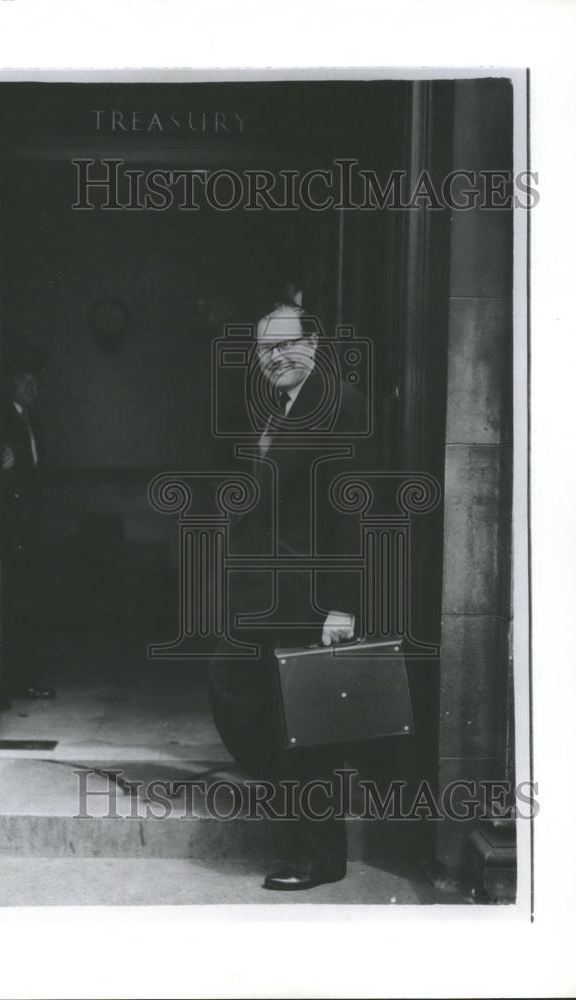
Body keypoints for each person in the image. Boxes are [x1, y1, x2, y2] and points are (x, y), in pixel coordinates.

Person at [208, 301, 372, 890]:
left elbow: (354, 508)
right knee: (234, 690)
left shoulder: (340, 402)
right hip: (267, 595)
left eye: (286, 345)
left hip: (310, 596)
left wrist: (343, 603)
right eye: (264, 349)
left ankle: (320, 858)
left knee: (305, 728)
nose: (274, 357)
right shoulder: (284, 404)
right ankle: (295, 816)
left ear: (315, 344)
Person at [0, 357, 55, 704]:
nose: (30, 389)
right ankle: (8, 684)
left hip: (30, 526)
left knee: (28, 603)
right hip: (10, 527)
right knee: (12, 603)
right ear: (10, 384)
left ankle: (24, 679)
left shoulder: (32, 421)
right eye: (23, 383)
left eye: (35, 384)